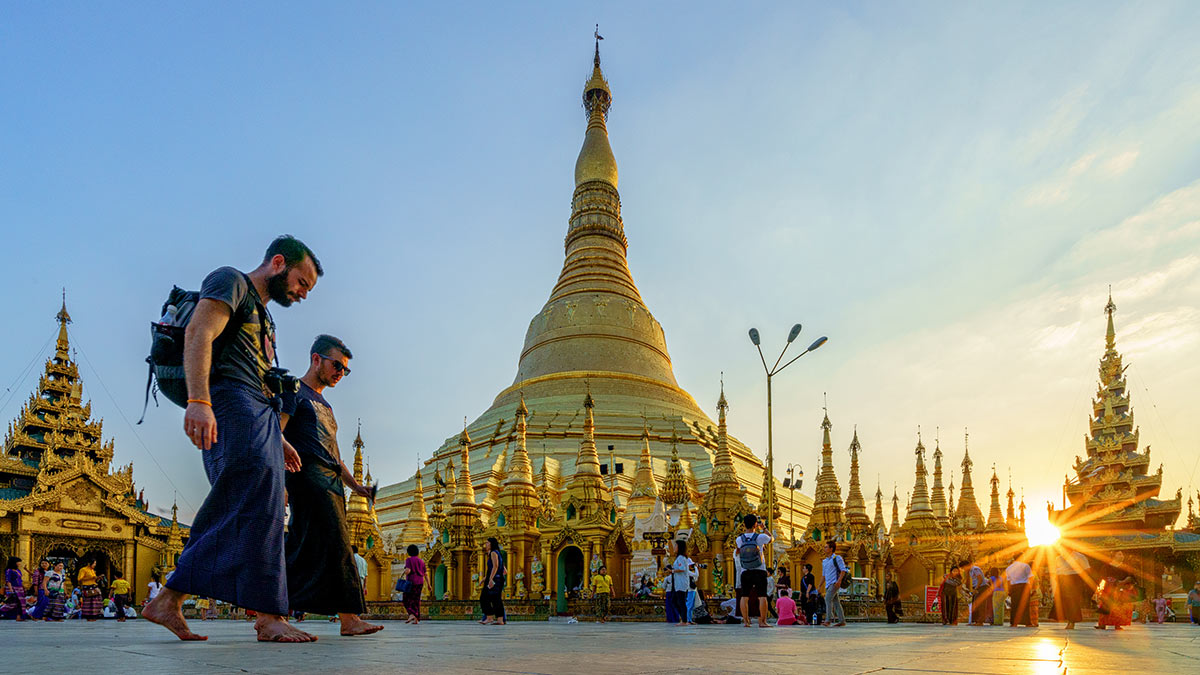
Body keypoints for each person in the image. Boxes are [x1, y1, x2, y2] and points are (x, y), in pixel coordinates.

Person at [143, 235, 322, 643]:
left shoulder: (265, 319)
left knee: (265, 507)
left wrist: (279, 438)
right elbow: (199, 334)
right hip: (229, 401)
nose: (301, 293)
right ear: (278, 263)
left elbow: (263, 380)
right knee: (247, 499)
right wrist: (199, 400)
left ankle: (176, 600)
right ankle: (264, 614)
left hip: (258, 413)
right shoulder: (231, 282)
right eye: (301, 282)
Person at [278, 334, 382, 637]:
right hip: (305, 475)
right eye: (337, 365)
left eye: (345, 370)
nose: (340, 373)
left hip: (332, 482)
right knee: (336, 546)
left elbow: (335, 456)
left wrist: (357, 487)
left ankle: (274, 611)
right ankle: (348, 618)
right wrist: (281, 479)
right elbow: (276, 431)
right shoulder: (293, 390)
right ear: (316, 359)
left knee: (305, 547)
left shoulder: (326, 405)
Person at [736, 514, 773, 628]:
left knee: (744, 596)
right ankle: (762, 622)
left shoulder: (739, 539)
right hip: (759, 569)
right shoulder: (760, 537)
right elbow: (771, 538)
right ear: (755, 524)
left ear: (744, 524)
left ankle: (746, 622)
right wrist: (764, 528)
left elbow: (738, 551)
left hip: (745, 570)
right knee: (762, 596)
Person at [1053, 550, 1088, 629]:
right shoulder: (1059, 558)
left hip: (1074, 578)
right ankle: (1066, 618)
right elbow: (1056, 569)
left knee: (1073, 600)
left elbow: (1086, 569)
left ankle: (1072, 621)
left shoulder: (1079, 556)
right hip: (1062, 579)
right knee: (1062, 600)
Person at [479, 537, 506, 625]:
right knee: (496, 599)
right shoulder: (498, 553)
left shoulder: (493, 553)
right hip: (498, 578)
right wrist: (484, 579)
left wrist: (490, 579)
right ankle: (500, 620)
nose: (486, 545)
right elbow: (504, 571)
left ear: (491, 544)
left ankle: (489, 617)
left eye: (487, 543)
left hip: (494, 579)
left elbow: (495, 566)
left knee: (484, 597)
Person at [822, 539, 849, 627]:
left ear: (831, 548)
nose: (824, 549)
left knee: (827, 599)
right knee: (836, 602)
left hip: (834, 582)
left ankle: (828, 620)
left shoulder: (837, 558)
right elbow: (824, 575)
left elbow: (843, 570)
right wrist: (819, 586)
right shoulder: (824, 561)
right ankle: (842, 620)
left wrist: (839, 581)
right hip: (828, 583)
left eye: (826, 547)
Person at [1005, 556, 1033, 627]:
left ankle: (1014, 623)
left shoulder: (1009, 568)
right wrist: (1032, 588)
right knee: (1025, 605)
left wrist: (1009, 590)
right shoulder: (1025, 566)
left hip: (1014, 587)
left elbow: (1008, 581)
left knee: (1014, 605)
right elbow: (1031, 577)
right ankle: (1027, 622)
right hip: (1024, 586)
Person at [668, 540, 692, 626]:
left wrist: (672, 570)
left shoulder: (681, 557)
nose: (674, 548)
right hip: (678, 583)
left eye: (675, 546)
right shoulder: (679, 558)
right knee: (674, 601)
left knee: (681, 602)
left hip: (681, 583)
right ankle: (683, 618)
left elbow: (682, 569)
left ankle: (684, 621)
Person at [402, 545, 425, 624]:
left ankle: (411, 614)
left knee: (406, 599)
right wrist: (429, 585)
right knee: (416, 600)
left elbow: (408, 571)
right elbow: (425, 574)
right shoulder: (421, 561)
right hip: (420, 582)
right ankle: (416, 618)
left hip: (411, 582)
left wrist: (404, 570)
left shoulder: (409, 560)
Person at [965, 561, 986, 625]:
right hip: (976, 587)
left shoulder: (975, 569)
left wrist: (976, 588)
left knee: (980, 604)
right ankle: (976, 620)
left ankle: (980, 621)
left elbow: (980, 579)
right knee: (975, 604)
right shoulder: (970, 571)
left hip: (981, 587)